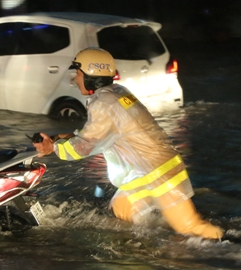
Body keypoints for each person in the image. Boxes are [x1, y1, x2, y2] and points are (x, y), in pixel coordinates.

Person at [33, 47, 224, 240]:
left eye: (78, 73)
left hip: (159, 173)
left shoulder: (104, 103)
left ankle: (235, 247)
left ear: (91, 74)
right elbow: (93, 135)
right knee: (122, 210)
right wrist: (57, 138)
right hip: (146, 172)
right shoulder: (116, 93)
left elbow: (84, 146)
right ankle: (149, 248)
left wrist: (53, 148)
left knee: (190, 227)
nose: (75, 79)